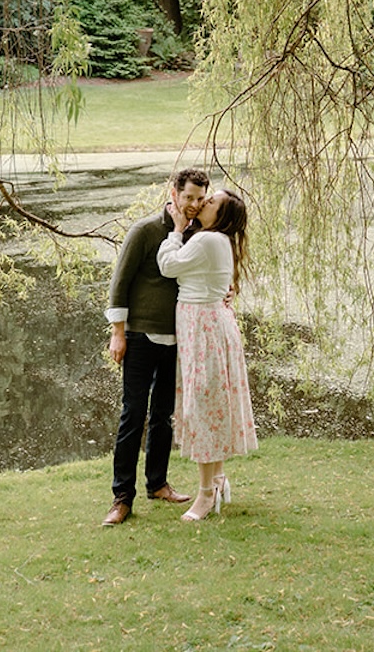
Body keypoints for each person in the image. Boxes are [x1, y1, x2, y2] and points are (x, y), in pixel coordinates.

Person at [101, 167, 208, 525]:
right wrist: (118, 332)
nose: (193, 205)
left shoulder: (197, 235)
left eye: (200, 199)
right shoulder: (145, 230)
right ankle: (122, 498)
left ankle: (158, 483)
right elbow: (120, 283)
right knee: (133, 415)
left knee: (163, 416)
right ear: (174, 193)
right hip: (140, 337)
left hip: (178, 337)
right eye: (189, 197)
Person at [157, 187, 258, 520]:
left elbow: (168, 266)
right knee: (210, 404)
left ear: (222, 215)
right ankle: (216, 480)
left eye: (210, 201)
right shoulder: (215, 240)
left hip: (203, 327)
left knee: (203, 406)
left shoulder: (206, 240)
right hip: (207, 324)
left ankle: (204, 494)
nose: (202, 203)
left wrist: (174, 231)